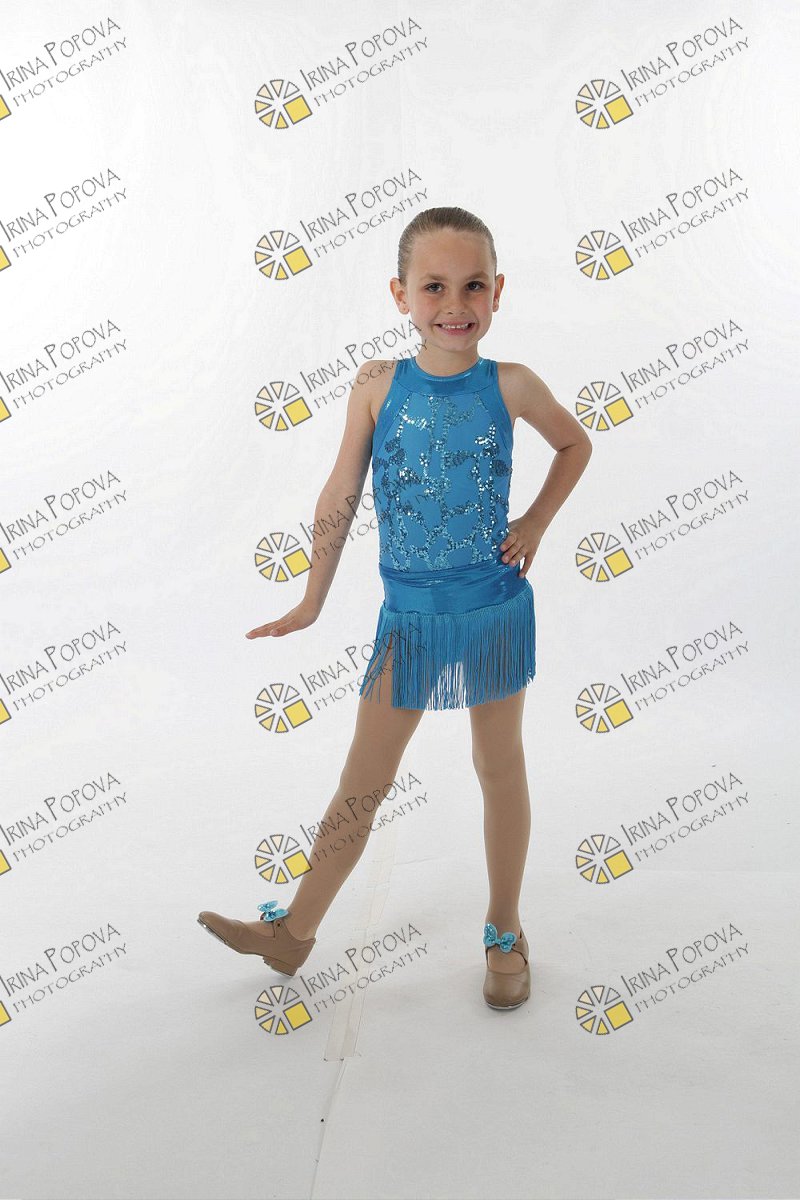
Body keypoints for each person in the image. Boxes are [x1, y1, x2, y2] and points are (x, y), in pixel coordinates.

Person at [198, 206, 593, 1010]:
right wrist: (312, 599)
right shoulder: (377, 385)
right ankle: (293, 933)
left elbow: (575, 443)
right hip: (407, 620)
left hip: (491, 612)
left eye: (474, 286)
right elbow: (341, 490)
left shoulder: (512, 384)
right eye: (434, 286)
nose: (456, 304)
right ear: (400, 294)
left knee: (498, 766)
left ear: (498, 291)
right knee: (363, 781)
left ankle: (505, 931)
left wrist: (535, 522)